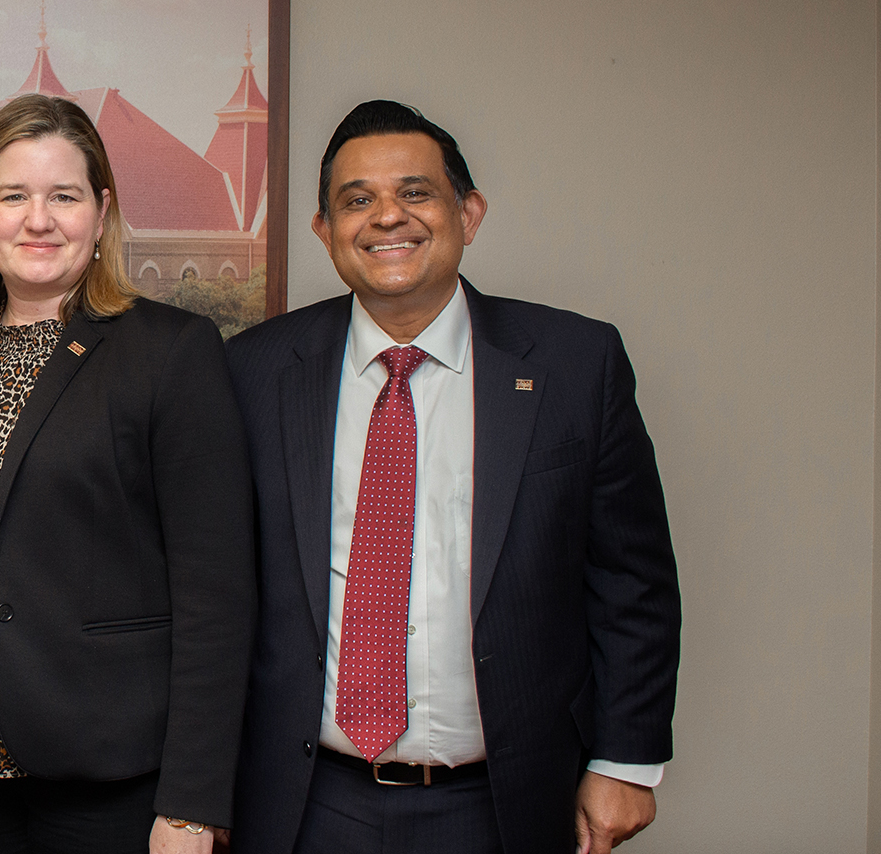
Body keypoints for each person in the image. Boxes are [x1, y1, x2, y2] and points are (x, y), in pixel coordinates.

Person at [224, 100, 680, 854]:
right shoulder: (255, 370)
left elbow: (633, 581)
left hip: (502, 800)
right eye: (356, 200)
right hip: (305, 801)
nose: (386, 218)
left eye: (415, 192)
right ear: (324, 230)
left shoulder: (574, 365)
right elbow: (216, 591)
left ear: (468, 213)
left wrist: (626, 759)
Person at [0, 94, 253, 854]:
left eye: (64, 196)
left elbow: (219, 597)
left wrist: (191, 801)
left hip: (111, 783)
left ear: (102, 211)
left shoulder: (172, 352)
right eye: (12, 195)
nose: (37, 219)